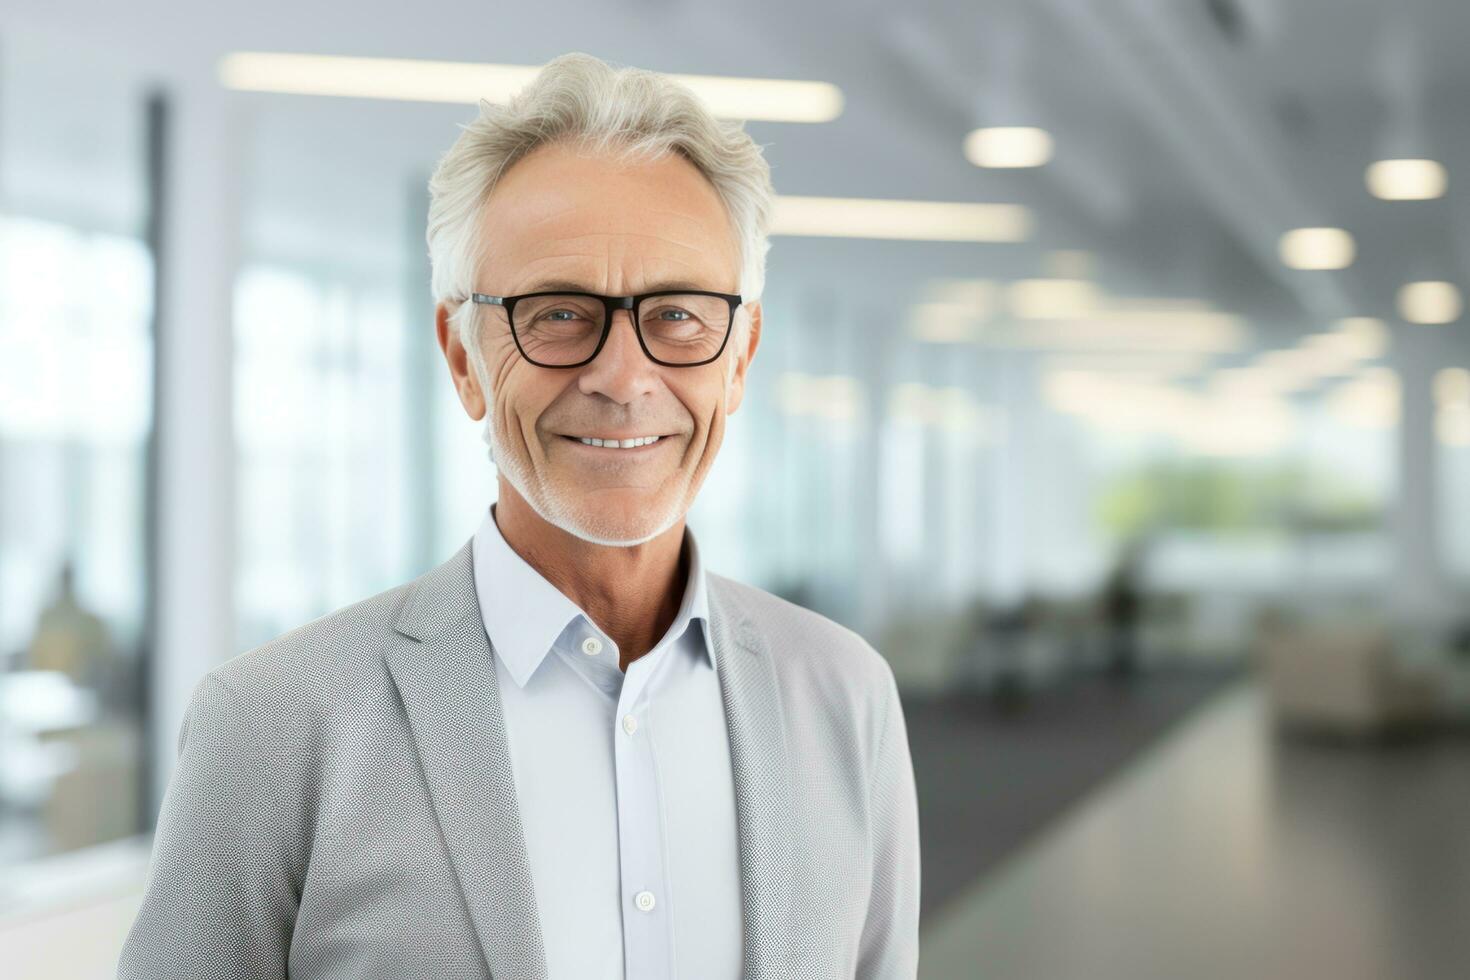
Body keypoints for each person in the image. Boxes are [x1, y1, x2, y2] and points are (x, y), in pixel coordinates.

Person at [118, 52, 920, 980]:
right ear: (462, 354)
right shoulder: (275, 723)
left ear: (739, 357)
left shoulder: (845, 697)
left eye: (680, 316)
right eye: (558, 313)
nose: (623, 379)